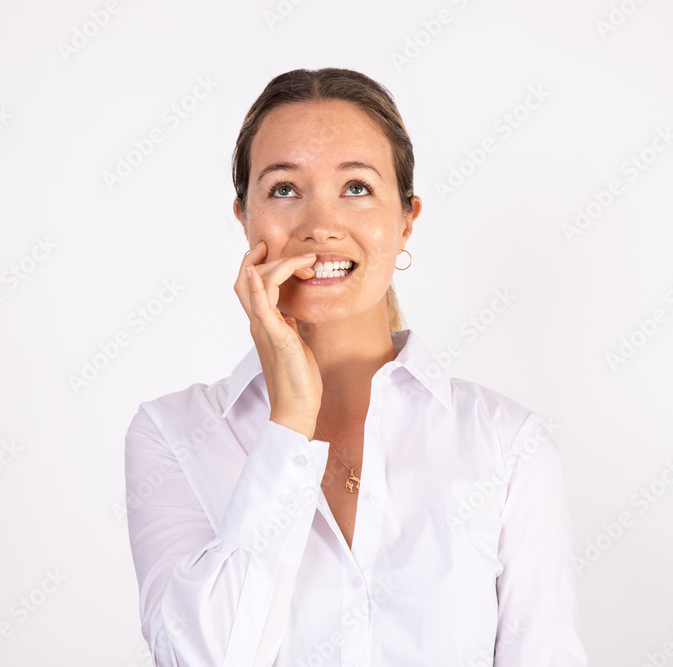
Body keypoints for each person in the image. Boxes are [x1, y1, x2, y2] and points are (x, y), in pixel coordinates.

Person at [124, 67, 586, 666]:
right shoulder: (171, 434)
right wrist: (289, 421)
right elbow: (204, 658)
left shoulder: (506, 443)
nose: (320, 227)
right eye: (284, 189)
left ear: (406, 220)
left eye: (357, 187)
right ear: (243, 215)